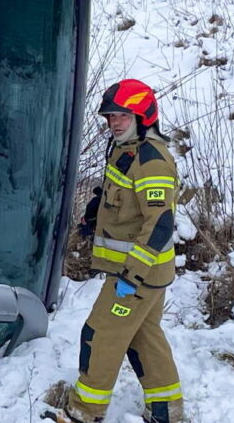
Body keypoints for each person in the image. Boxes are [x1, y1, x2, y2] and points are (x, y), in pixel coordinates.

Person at [51, 79, 184, 423]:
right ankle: (166, 410)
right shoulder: (126, 150)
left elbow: (159, 224)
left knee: (100, 335)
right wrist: (96, 209)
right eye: (111, 116)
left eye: (124, 115)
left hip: (137, 275)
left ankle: (84, 411)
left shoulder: (151, 160)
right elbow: (122, 194)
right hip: (149, 274)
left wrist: (132, 276)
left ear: (143, 116)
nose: (115, 122)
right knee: (144, 338)